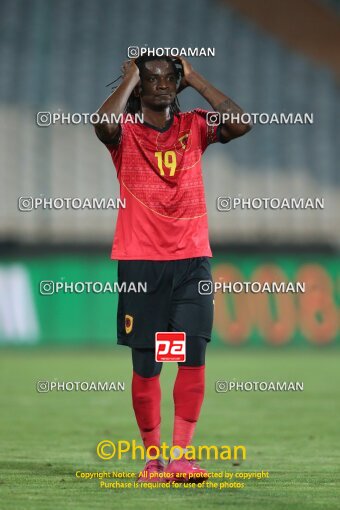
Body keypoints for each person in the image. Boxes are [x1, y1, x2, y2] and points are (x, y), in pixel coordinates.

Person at [94, 54, 251, 483]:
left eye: (168, 78)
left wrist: (196, 78)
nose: (162, 85)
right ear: (140, 88)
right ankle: (153, 461)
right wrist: (129, 77)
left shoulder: (194, 126)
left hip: (191, 263)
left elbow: (241, 123)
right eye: (152, 79)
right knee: (149, 365)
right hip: (142, 264)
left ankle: (181, 457)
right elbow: (102, 124)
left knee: (191, 355)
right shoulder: (124, 134)